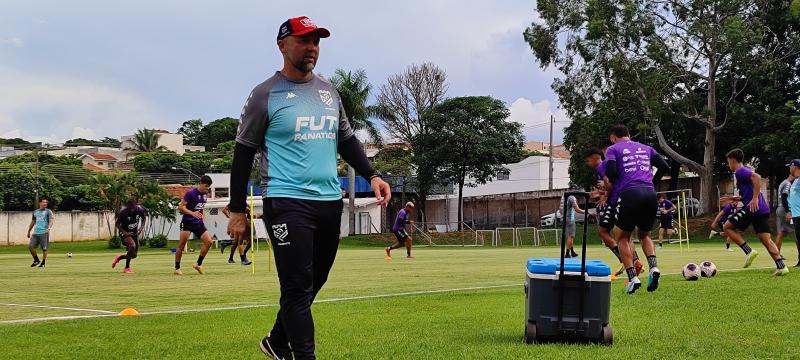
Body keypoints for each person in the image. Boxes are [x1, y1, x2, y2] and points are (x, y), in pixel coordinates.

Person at [225, 16, 391, 360]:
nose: (311, 48)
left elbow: (345, 140)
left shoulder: (328, 91)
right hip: (286, 201)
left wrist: (372, 174)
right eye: (303, 41)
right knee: (297, 288)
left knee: (314, 282)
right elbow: (242, 153)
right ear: (283, 45)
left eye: (316, 41)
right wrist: (238, 210)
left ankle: (276, 339)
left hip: (329, 202)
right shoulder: (264, 95)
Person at [604, 125, 670, 294]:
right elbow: (664, 167)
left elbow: (611, 172)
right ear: (629, 135)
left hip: (630, 194)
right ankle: (654, 267)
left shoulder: (612, 149)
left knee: (622, 237)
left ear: (613, 137)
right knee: (644, 234)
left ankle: (633, 278)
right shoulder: (646, 148)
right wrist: (652, 182)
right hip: (650, 193)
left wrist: (617, 179)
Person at [720, 149, 787, 276]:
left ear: (733, 161)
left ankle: (748, 251)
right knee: (766, 239)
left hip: (753, 208)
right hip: (762, 209)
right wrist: (736, 198)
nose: (728, 165)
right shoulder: (742, 173)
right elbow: (749, 189)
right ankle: (781, 266)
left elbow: (756, 177)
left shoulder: (740, 171)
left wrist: (755, 198)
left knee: (727, 226)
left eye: (728, 162)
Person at [583, 148, 642, 280]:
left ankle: (626, 260)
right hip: (627, 198)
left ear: (594, 158)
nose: (588, 164)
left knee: (603, 231)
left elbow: (610, 185)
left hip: (615, 201)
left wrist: (602, 195)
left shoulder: (602, 166)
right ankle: (636, 261)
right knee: (624, 235)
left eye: (587, 161)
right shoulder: (613, 164)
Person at [174, 175, 214, 275]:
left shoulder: (205, 194)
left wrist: (201, 214)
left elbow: (199, 207)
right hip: (187, 222)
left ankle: (198, 265)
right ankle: (177, 268)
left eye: (208, 187)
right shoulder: (190, 193)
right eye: (206, 186)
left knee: (209, 242)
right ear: (200, 183)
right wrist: (192, 213)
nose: (207, 188)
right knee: (181, 245)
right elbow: (181, 207)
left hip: (198, 223)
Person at [112, 197, 146, 273]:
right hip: (125, 233)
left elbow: (144, 219)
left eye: (133, 207)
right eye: (130, 207)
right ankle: (127, 268)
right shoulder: (123, 212)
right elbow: (117, 224)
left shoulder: (140, 210)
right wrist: (124, 232)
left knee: (134, 255)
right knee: (132, 246)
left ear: (135, 205)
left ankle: (119, 258)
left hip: (134, 233)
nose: (132, 209)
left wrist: (140, 229)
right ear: (128, 206)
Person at [26, 198, 54, 268]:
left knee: (44, 248)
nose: (45, 204)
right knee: (31, 247)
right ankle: (36, 260)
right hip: (36, 232)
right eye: (44, 202)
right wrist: (29, 231)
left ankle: (43, 262)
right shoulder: (35, 212)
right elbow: (33, 222)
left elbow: (51, 220)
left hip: (44, 232)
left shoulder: (48, 211)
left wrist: (49, 228)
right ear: (40, 203)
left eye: (46, 203)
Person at [560, 186, 585, 258]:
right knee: (571, 236)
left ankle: (572, 251)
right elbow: (577, 209)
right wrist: (587, 212)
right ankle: (567, 253)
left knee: (568, 236)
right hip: (569, 218)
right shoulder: (572, 197)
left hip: (563, 218)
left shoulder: (564, 196)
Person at [776, 169, 796, 251]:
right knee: (796, 232)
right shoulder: (788, 184)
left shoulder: (783, 182)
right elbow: (784, 196)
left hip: (780, 208)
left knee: (781, 232)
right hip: (785, 209)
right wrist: (788, 211)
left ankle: (777, 255)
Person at [785, 159, 800, 267]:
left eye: (790, 166)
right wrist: (789, 211)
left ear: (795, 167)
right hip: (795, 215)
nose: (789, 168)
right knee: (798, 239)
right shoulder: (795, 180)